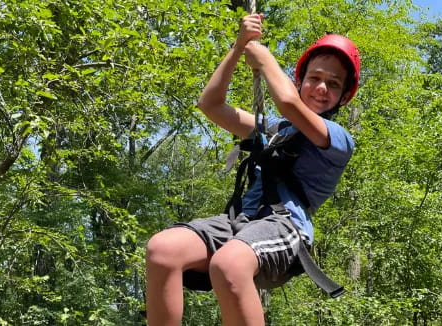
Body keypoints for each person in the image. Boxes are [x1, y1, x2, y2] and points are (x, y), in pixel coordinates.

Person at [145, 13, 361, 326]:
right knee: (162, 249)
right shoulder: (274, 127)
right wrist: (238, 47)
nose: (322, 87)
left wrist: (263, 58)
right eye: (315, 78)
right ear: (301, 80)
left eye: (333, 83)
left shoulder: (338, 139)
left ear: (344, 96)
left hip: (286, 227)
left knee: (229, 263)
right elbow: (211, 104)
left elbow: (288, 101)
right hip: (242, 221)